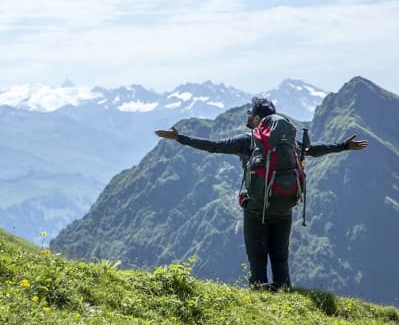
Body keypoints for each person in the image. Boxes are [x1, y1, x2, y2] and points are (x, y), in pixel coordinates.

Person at [155, 97, 367, 291]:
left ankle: (260, 299)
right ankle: (286, 300)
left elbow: (213, 146)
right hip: (285, 207)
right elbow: (312, 150)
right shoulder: (287, 142)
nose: (247, 116)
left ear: (257, 118)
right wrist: (344, 146)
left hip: (257, 209)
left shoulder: (248, 141)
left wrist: (179, 137)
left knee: (257, 261)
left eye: (250, 112)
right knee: (280, 260)